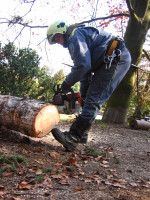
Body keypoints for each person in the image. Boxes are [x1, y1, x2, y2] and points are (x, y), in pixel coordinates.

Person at [47, 20, 131, 152]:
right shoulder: (78, 37)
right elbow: (85, 73)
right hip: (106, 61)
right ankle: (82, 134)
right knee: (88, 99)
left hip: (115, 59)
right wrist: (83, 94)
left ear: (60, 32)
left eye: (56, 38)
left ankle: (73, 137)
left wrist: (66, 84)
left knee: (94, 100)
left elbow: (82, 66)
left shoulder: (74, 37)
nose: (57, 42)